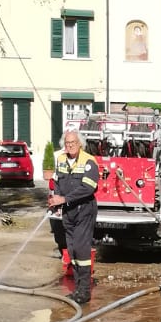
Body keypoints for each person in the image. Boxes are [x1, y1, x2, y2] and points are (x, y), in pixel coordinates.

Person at [49, 128, 100, 303]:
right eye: (67, 143)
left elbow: (88, 188)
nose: (70, 146)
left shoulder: (89, 162)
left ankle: (84, 291)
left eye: (73, 143)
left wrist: (64, 199)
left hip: (84, 209)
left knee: (81, 248)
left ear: (80, 144)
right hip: (68, 211)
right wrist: (56, 201)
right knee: (71, 249)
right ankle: (77, 289)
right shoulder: (61, 160)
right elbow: (57, 183)